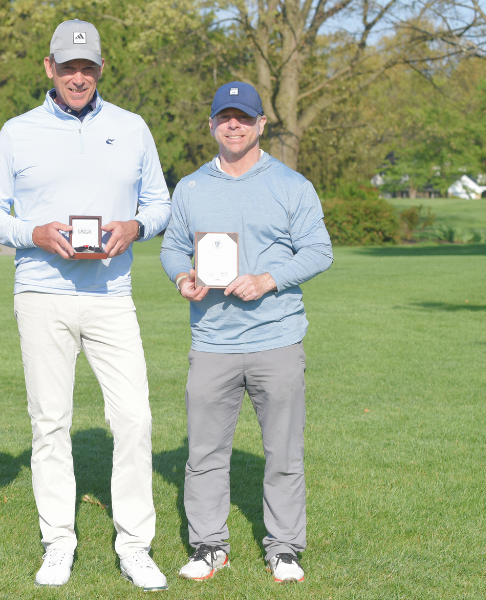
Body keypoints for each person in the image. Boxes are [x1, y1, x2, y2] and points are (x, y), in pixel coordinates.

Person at [0, 19, 171, 591]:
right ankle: (58, 542)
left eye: (87, 67)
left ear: (101, 69)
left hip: (112, 296)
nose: (78, 77)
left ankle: (134, 545)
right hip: (42, 293)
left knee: (134, 418)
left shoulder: (132, 128)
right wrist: (32, 233)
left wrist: (135, 226)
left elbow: (160, 203)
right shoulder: (18, 132)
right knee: (50, 423)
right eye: (68, 68)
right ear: (50, 68)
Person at [159, 82, 333, 584]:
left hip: (276, 340)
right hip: (212, 342)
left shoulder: (291, 185)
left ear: (261, 124)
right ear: (212, 124)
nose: (233, 125)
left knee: (283, 455)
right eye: (224, 117)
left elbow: (319, 251)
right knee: (203, 455)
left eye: (243, 117)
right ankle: (210, 546)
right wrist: (182, 277)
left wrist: (267, 279)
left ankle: (284, 549)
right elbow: (173, 247)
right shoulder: (190, 187)